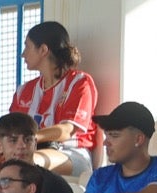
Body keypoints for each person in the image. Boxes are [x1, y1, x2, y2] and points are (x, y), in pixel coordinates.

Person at [10, 21, 96, 178]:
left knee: (27, 163)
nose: (23, 54)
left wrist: (30, 138)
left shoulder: (79, 82)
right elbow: (11, 130)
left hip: (71, 153)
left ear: (43, 50)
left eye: (27, 47)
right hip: (28, 151)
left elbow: (66, 130)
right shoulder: (24, 91)